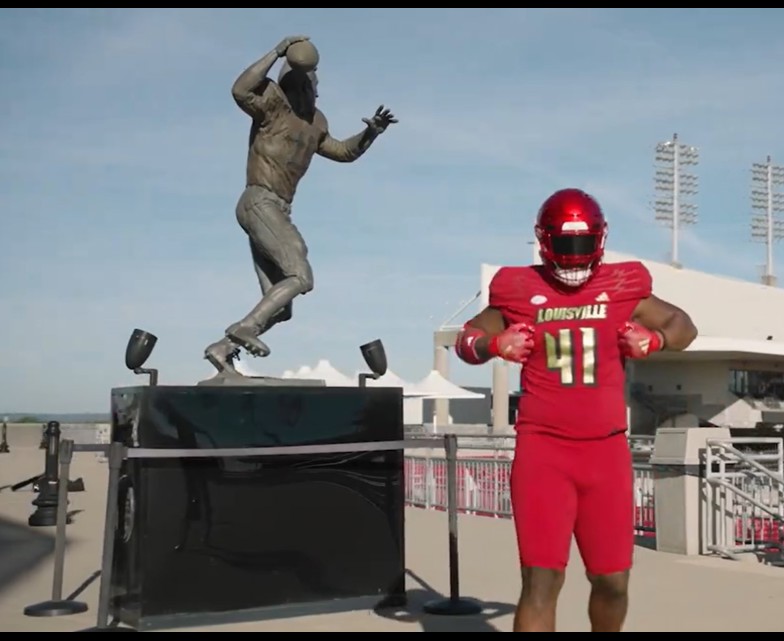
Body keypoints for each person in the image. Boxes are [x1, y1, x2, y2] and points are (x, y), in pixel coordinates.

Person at [454, 188, 698, 632]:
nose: (573, 257)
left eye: (582, 244)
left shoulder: (625, 285)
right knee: (542, 581)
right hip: (544, 452)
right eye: (564, 245)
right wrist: (494, 344)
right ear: (544, 241)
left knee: (613, 582)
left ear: (600, 240)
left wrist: (655, 340)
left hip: (605, 453)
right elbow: (465, 341)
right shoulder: (517, 288)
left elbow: (683, 325)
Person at [203, 35, 398, 377]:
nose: (318, 90)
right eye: (313, 83)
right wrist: (278, 51)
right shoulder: (273, 105)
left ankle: (224, 348)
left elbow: (343, 152)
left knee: (281, 308)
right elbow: (240, 90)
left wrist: (371, 134)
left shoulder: (316, 122)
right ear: (297, 85)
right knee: (300, 273)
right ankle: (244, 328)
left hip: (277, 209)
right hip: (258, 200)